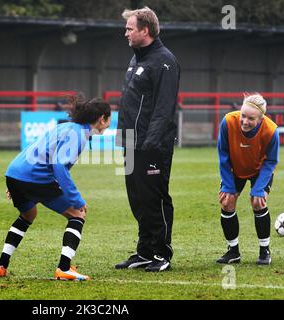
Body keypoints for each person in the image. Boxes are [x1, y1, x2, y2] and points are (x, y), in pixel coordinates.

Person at [0, 95, 111, 280]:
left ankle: (1, 265)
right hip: (33, 178)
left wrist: (17, 183)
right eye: (108, 119)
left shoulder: (65, 127)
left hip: (15, 172)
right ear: (102, 118)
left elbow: (36, 150)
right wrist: (77, 199)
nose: (109, 123)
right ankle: (64, 269)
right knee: (77, 214)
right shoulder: (79, 135)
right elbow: (59, 167)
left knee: (28, 215)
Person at [115, 7, 180, 272]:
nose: (126, 33)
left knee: (155, 197)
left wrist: (151, 143)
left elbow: (164, 108)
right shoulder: (136, 59)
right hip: (131, 141)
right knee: (137, 198)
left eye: (130, 28)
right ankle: (144, 251)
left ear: (145, 30)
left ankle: (161, 253)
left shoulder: (165, 61)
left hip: (152, 145)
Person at [216, 93, 279, 265]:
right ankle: (233, 251)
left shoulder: (271, 130)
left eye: (250, 118)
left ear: (260, 119)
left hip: (260, 170)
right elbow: (223, 155)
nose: (244, 121)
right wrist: (228, 186)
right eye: (243, 115)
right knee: (227, 202)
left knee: (258, 202)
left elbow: (271, 161)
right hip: (234, 169)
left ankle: (264, 251)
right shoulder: (228, 122)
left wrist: (259, 189)